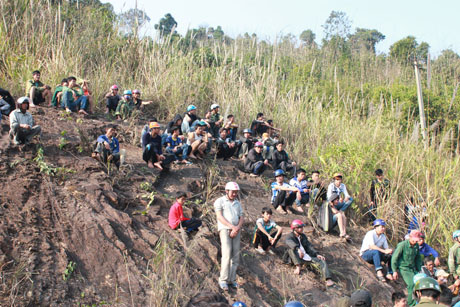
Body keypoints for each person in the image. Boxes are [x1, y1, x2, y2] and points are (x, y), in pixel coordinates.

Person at [284, 219, 334, 287]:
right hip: (294, 258)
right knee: (290, 249)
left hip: (305, 257)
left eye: (302, 227)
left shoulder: (303, 236)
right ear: (295, 228)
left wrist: (316, 254)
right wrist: (298, 249)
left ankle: (328, 279)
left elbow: (309, 246)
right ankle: (298, 266)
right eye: (300, 227)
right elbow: (289, 243)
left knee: (321, 260)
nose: (302, 229)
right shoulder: (289, 237)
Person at [214, 182, 244, 291]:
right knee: (226, 254)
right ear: (227, 191)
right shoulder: (220, 201)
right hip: (225, 229)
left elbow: (241, 217)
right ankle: (223, 279)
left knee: (235, 256)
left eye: (236, 192)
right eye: (233, 192)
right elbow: (219, 216)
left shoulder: (237, 203)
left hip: (236, 230)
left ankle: (232, 279)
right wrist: (232, 227)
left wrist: (237, 228)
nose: (235, 194)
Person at [391, 230, 423, 306]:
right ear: (410, 237)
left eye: (417, 240)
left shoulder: (416, 246)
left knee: (421, 282)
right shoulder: (402, 245)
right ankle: (411, 304)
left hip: (413, 268)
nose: (415, 241)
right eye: (414, 239)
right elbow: (394, 257)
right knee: (411, 284)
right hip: (404, 268)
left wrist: (419, 269)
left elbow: (418, 258)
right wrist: (394, 270)